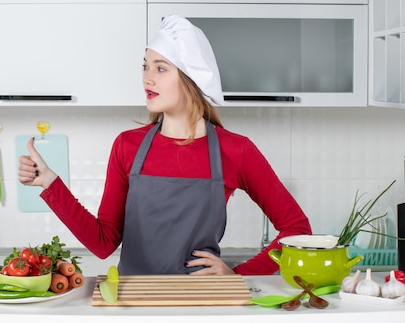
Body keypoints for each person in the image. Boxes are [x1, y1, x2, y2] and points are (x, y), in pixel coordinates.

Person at [17, 15, 311, 275]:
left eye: (160, 69)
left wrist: (239, 275)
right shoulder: (127, 146)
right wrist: (50, 184)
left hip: (203, 305)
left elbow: (298, 230)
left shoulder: (235, 150)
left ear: (190, 78)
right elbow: (104, 242)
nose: (147, 78)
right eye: (145, 67)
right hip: (135, 304)